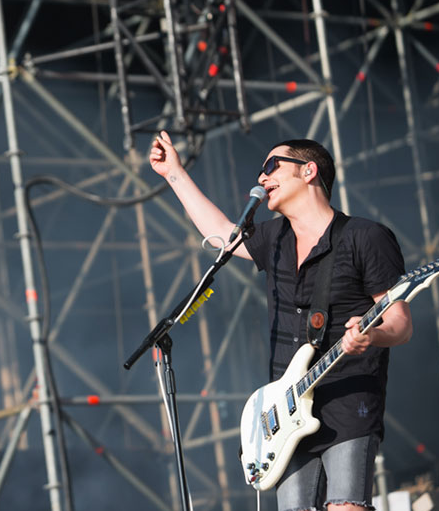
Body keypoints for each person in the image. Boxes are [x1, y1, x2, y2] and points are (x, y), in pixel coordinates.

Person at [150, 131, 412, 511]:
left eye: (272, 166)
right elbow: (221, 232)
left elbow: (400, 323)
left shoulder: (365, 236)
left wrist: (371, 337)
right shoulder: (274, 239)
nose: (262, 177)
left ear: (309, 171)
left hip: (348, 398)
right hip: (285, 410)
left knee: (346, 506)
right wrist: (173, 172)